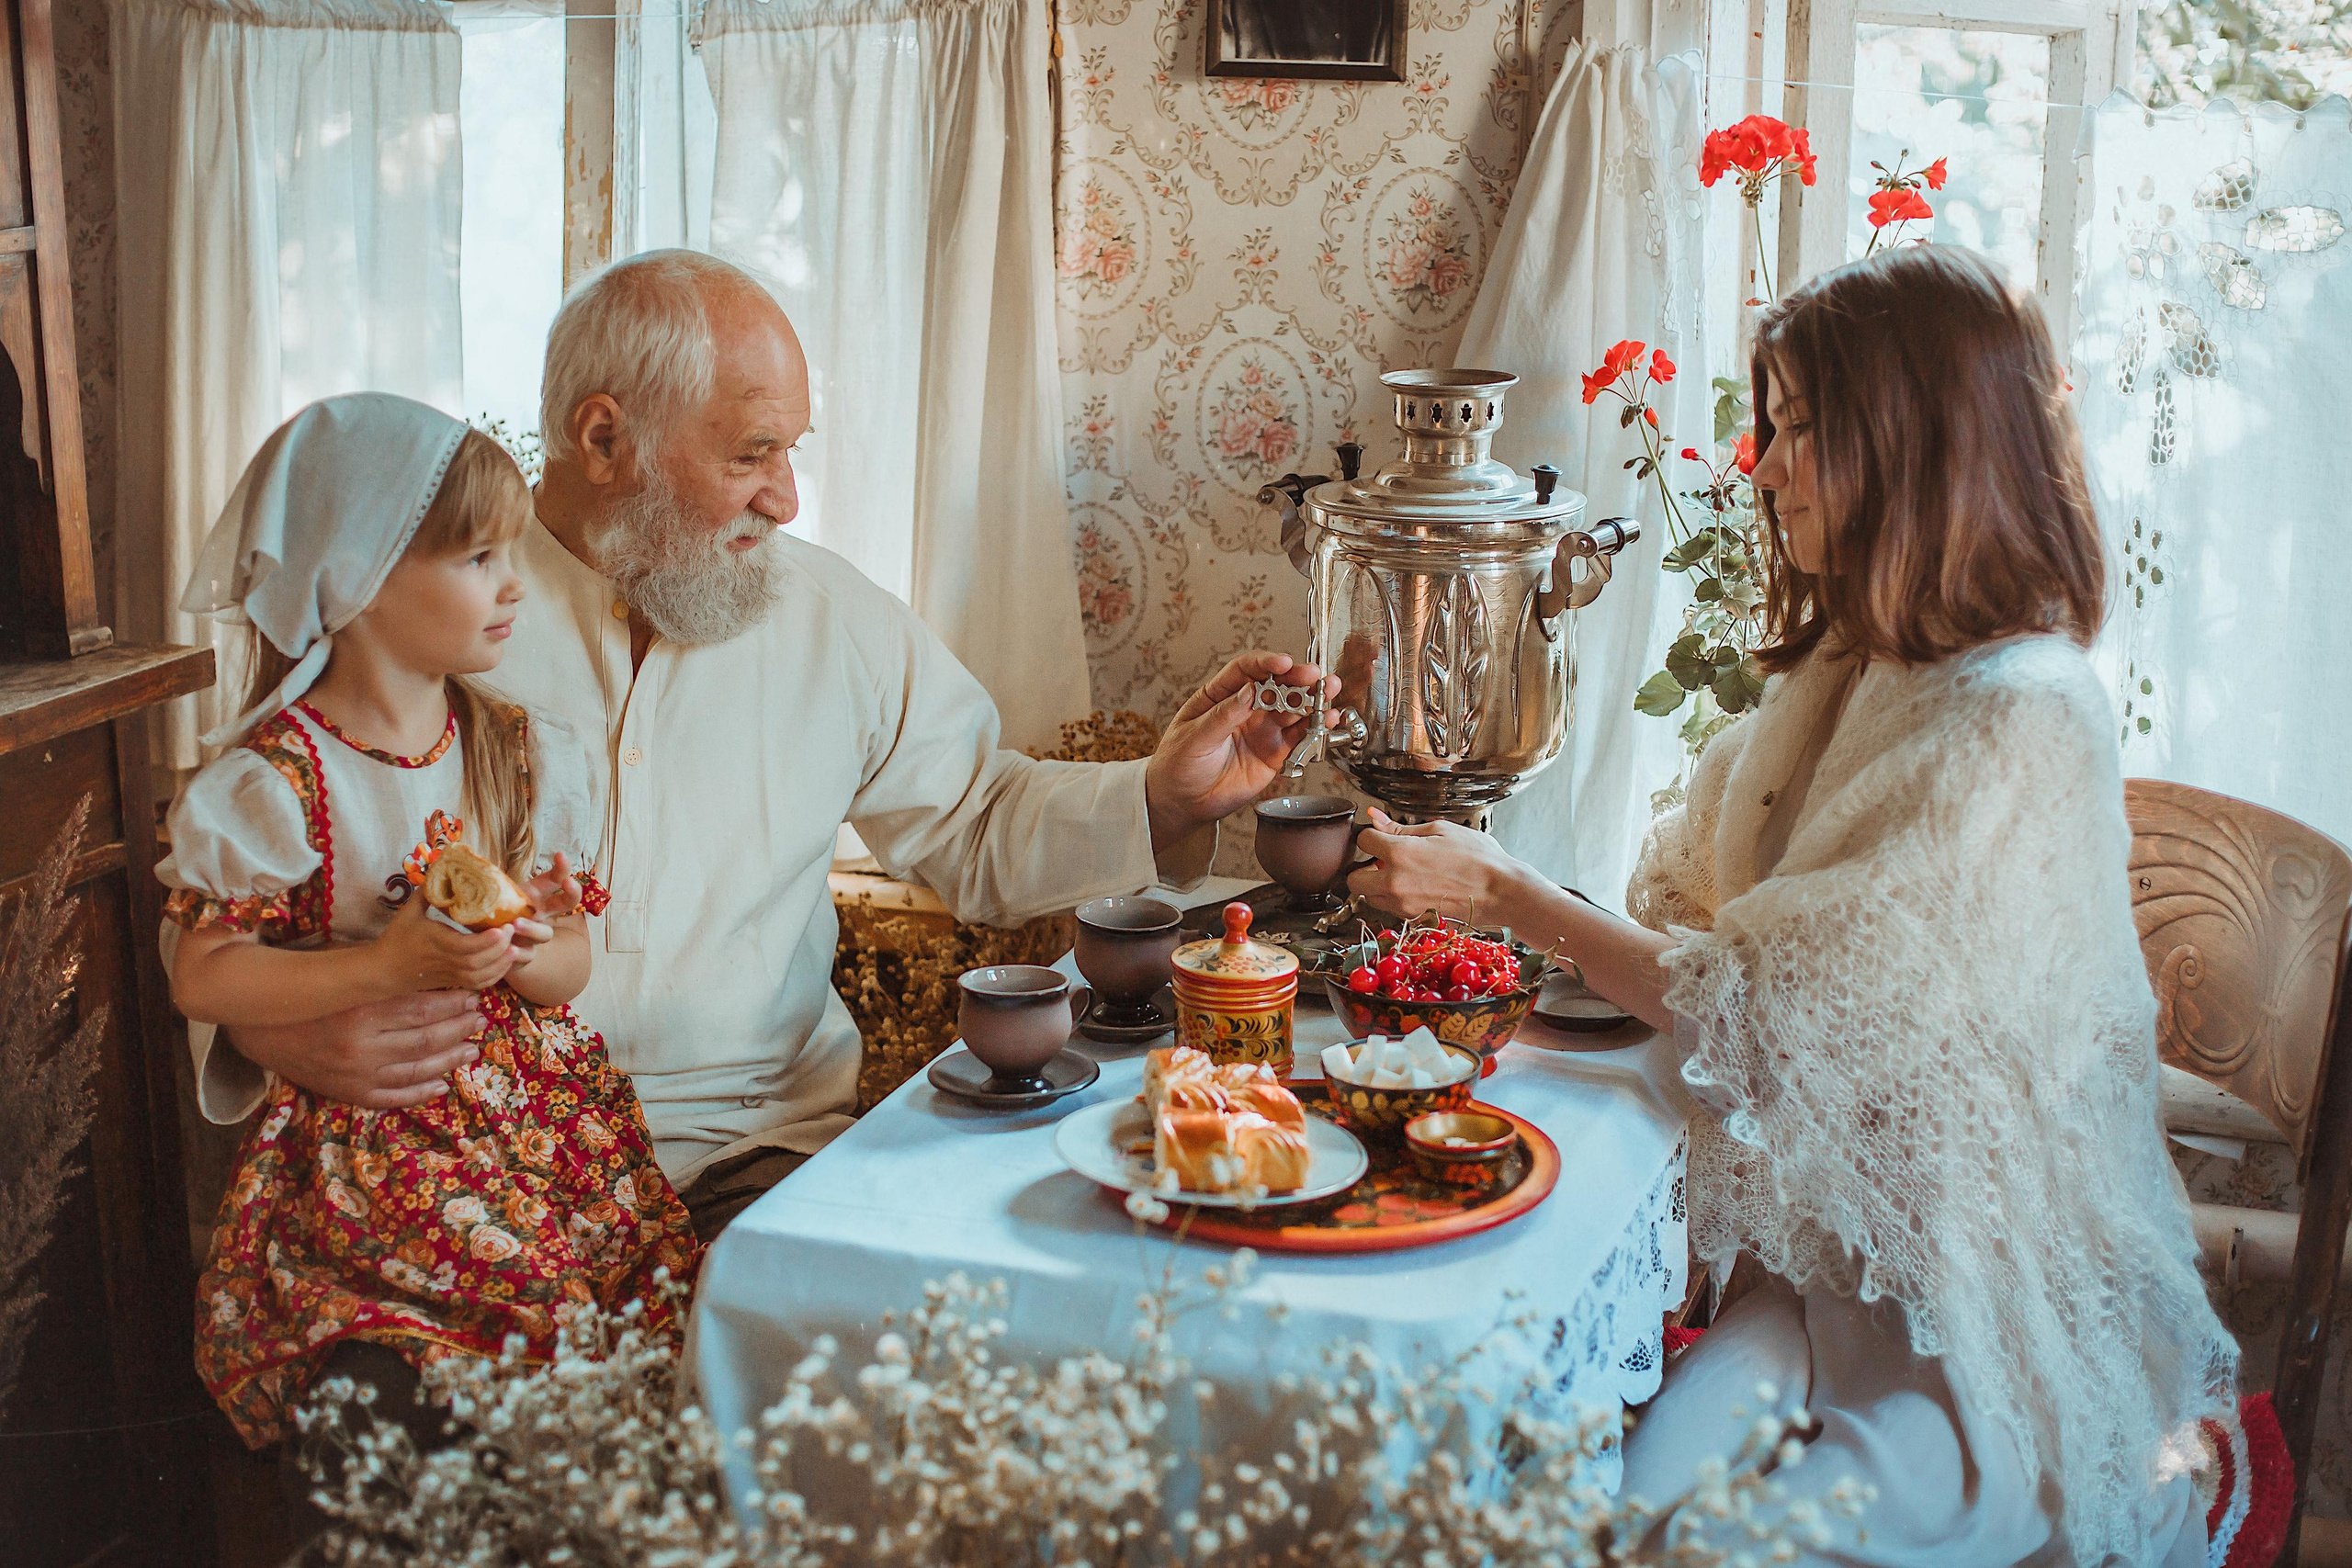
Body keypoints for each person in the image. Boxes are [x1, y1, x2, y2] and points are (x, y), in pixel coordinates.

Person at [1346, 245, 2237, 1565]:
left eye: (1802, 429)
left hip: (1977, 1321)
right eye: (1772, 425)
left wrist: (1505, 890)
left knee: (1711, 1548)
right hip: (1821, 1282)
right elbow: (1694, 888)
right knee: (1614, 1517)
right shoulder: (1854, 656)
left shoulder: (2020, 717)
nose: (1761, 466)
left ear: (1916, 444)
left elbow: (1765, 1007)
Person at [185, 249, 1335, 1239]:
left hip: (759, 1161)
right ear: (603, 438)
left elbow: (977, 819)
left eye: (792, 451)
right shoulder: (409, 619)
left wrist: (1162, 797)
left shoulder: (832, 617)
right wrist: (271, 1035)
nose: (786, 498)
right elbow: (258, 874)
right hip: (456, 1158)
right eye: (749, 455)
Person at [157, 395, 699, 1453]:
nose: (512, 586)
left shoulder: (517, 747)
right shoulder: (280, 781)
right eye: (478, 558)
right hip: (378, 1142)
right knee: (498, 1336)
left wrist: (529, 949)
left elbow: (570, 965)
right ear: (354, 579)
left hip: (543, 1137)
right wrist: (386, 964)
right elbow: (206, 977)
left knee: (630, 1322)